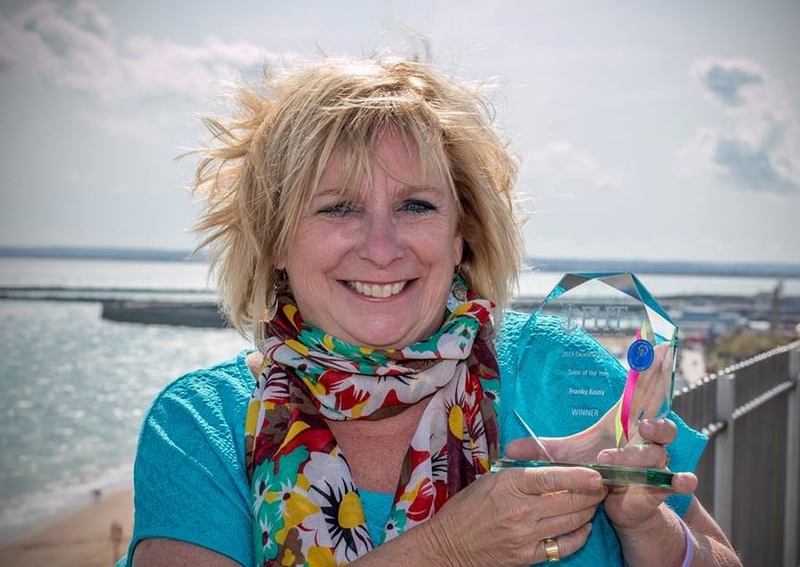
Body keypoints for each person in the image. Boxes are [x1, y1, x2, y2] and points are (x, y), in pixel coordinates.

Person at [120, 55, 741, 566]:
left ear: (459, 233)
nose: (382, 247)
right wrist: (448, 550)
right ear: (276, 240)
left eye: (415, 205)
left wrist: (647, 529)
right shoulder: (203, 426)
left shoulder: (554, 368)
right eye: (338, 208)